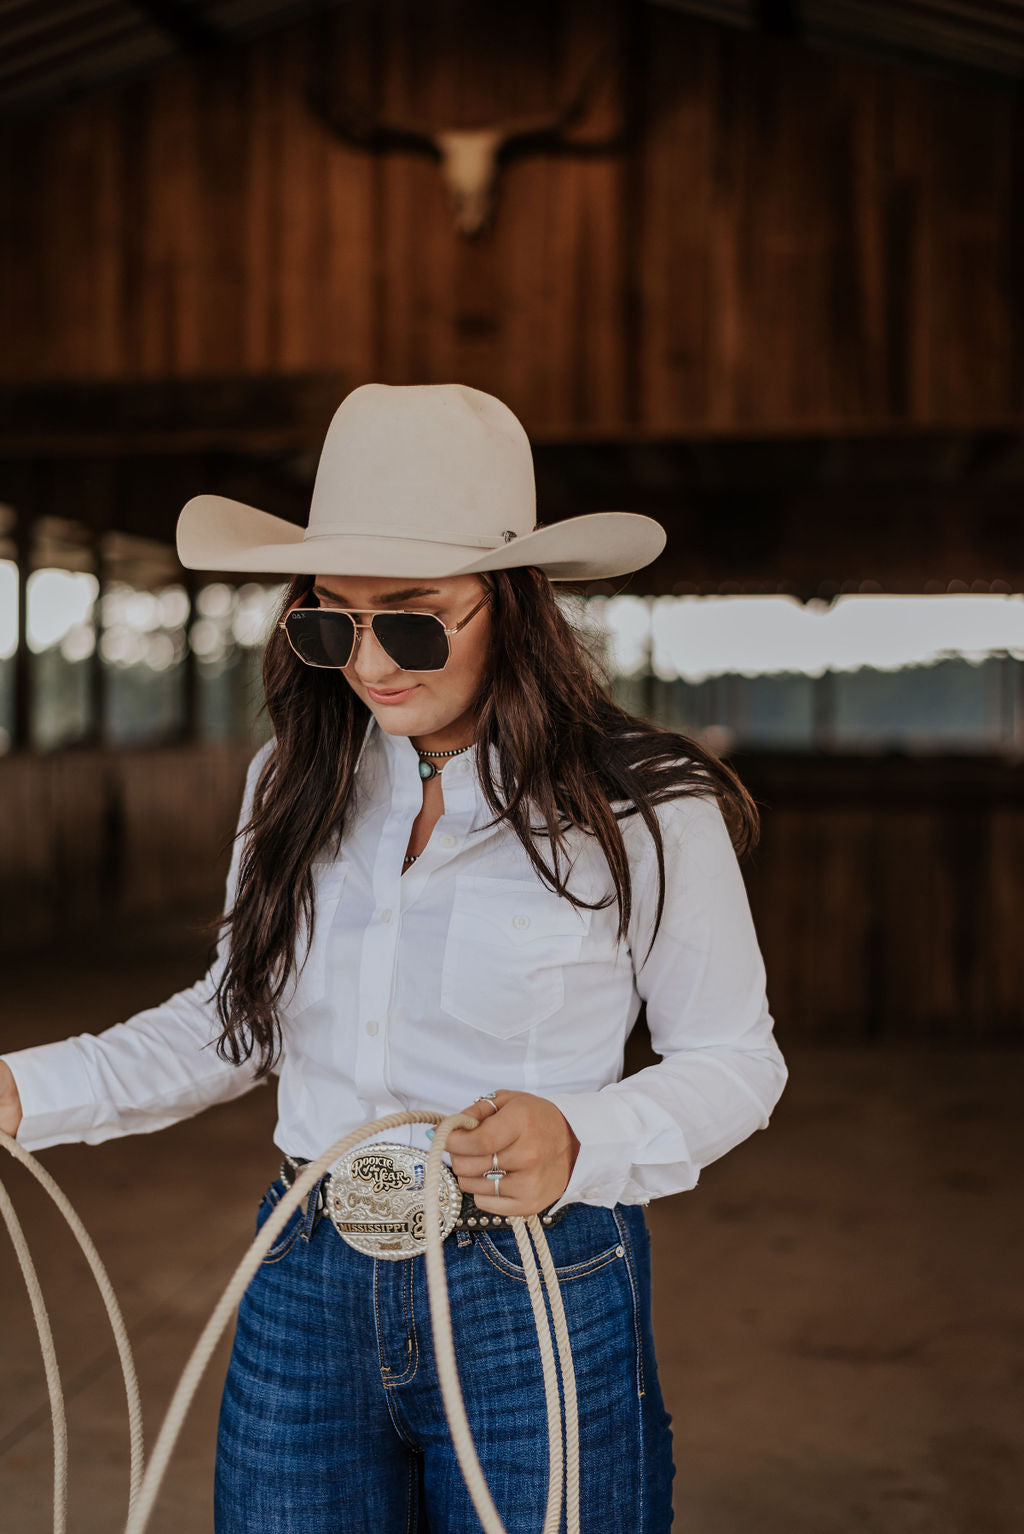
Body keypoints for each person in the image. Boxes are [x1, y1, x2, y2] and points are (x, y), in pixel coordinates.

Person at [0, 382, 788, 1533]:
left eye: (411, 622)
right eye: (330, 623)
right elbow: (237, 1017)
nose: (368, 665)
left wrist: (581, 1136)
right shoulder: (293, 781)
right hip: (305, 1272)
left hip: (533, 1280)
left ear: (512, 607)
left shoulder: (644, 808)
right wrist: (23, 1089)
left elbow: (735, 1060)